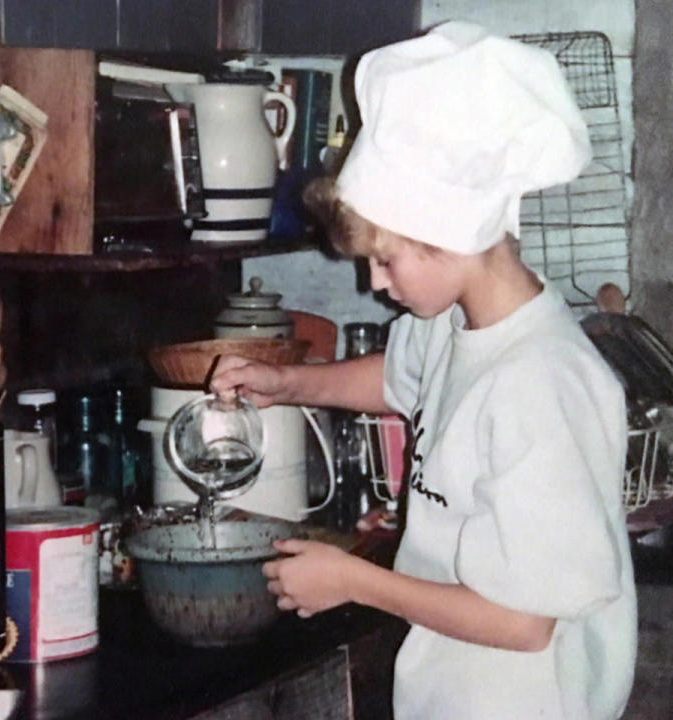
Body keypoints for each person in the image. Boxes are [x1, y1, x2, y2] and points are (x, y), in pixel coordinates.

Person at [210, 21, 636, 720]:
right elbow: (396, 377)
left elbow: (524, 625)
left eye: (386, 258)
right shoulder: (456, 325)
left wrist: (354, 580)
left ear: (451, 233)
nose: (376, 283)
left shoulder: (542, 383)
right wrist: (289, 385)